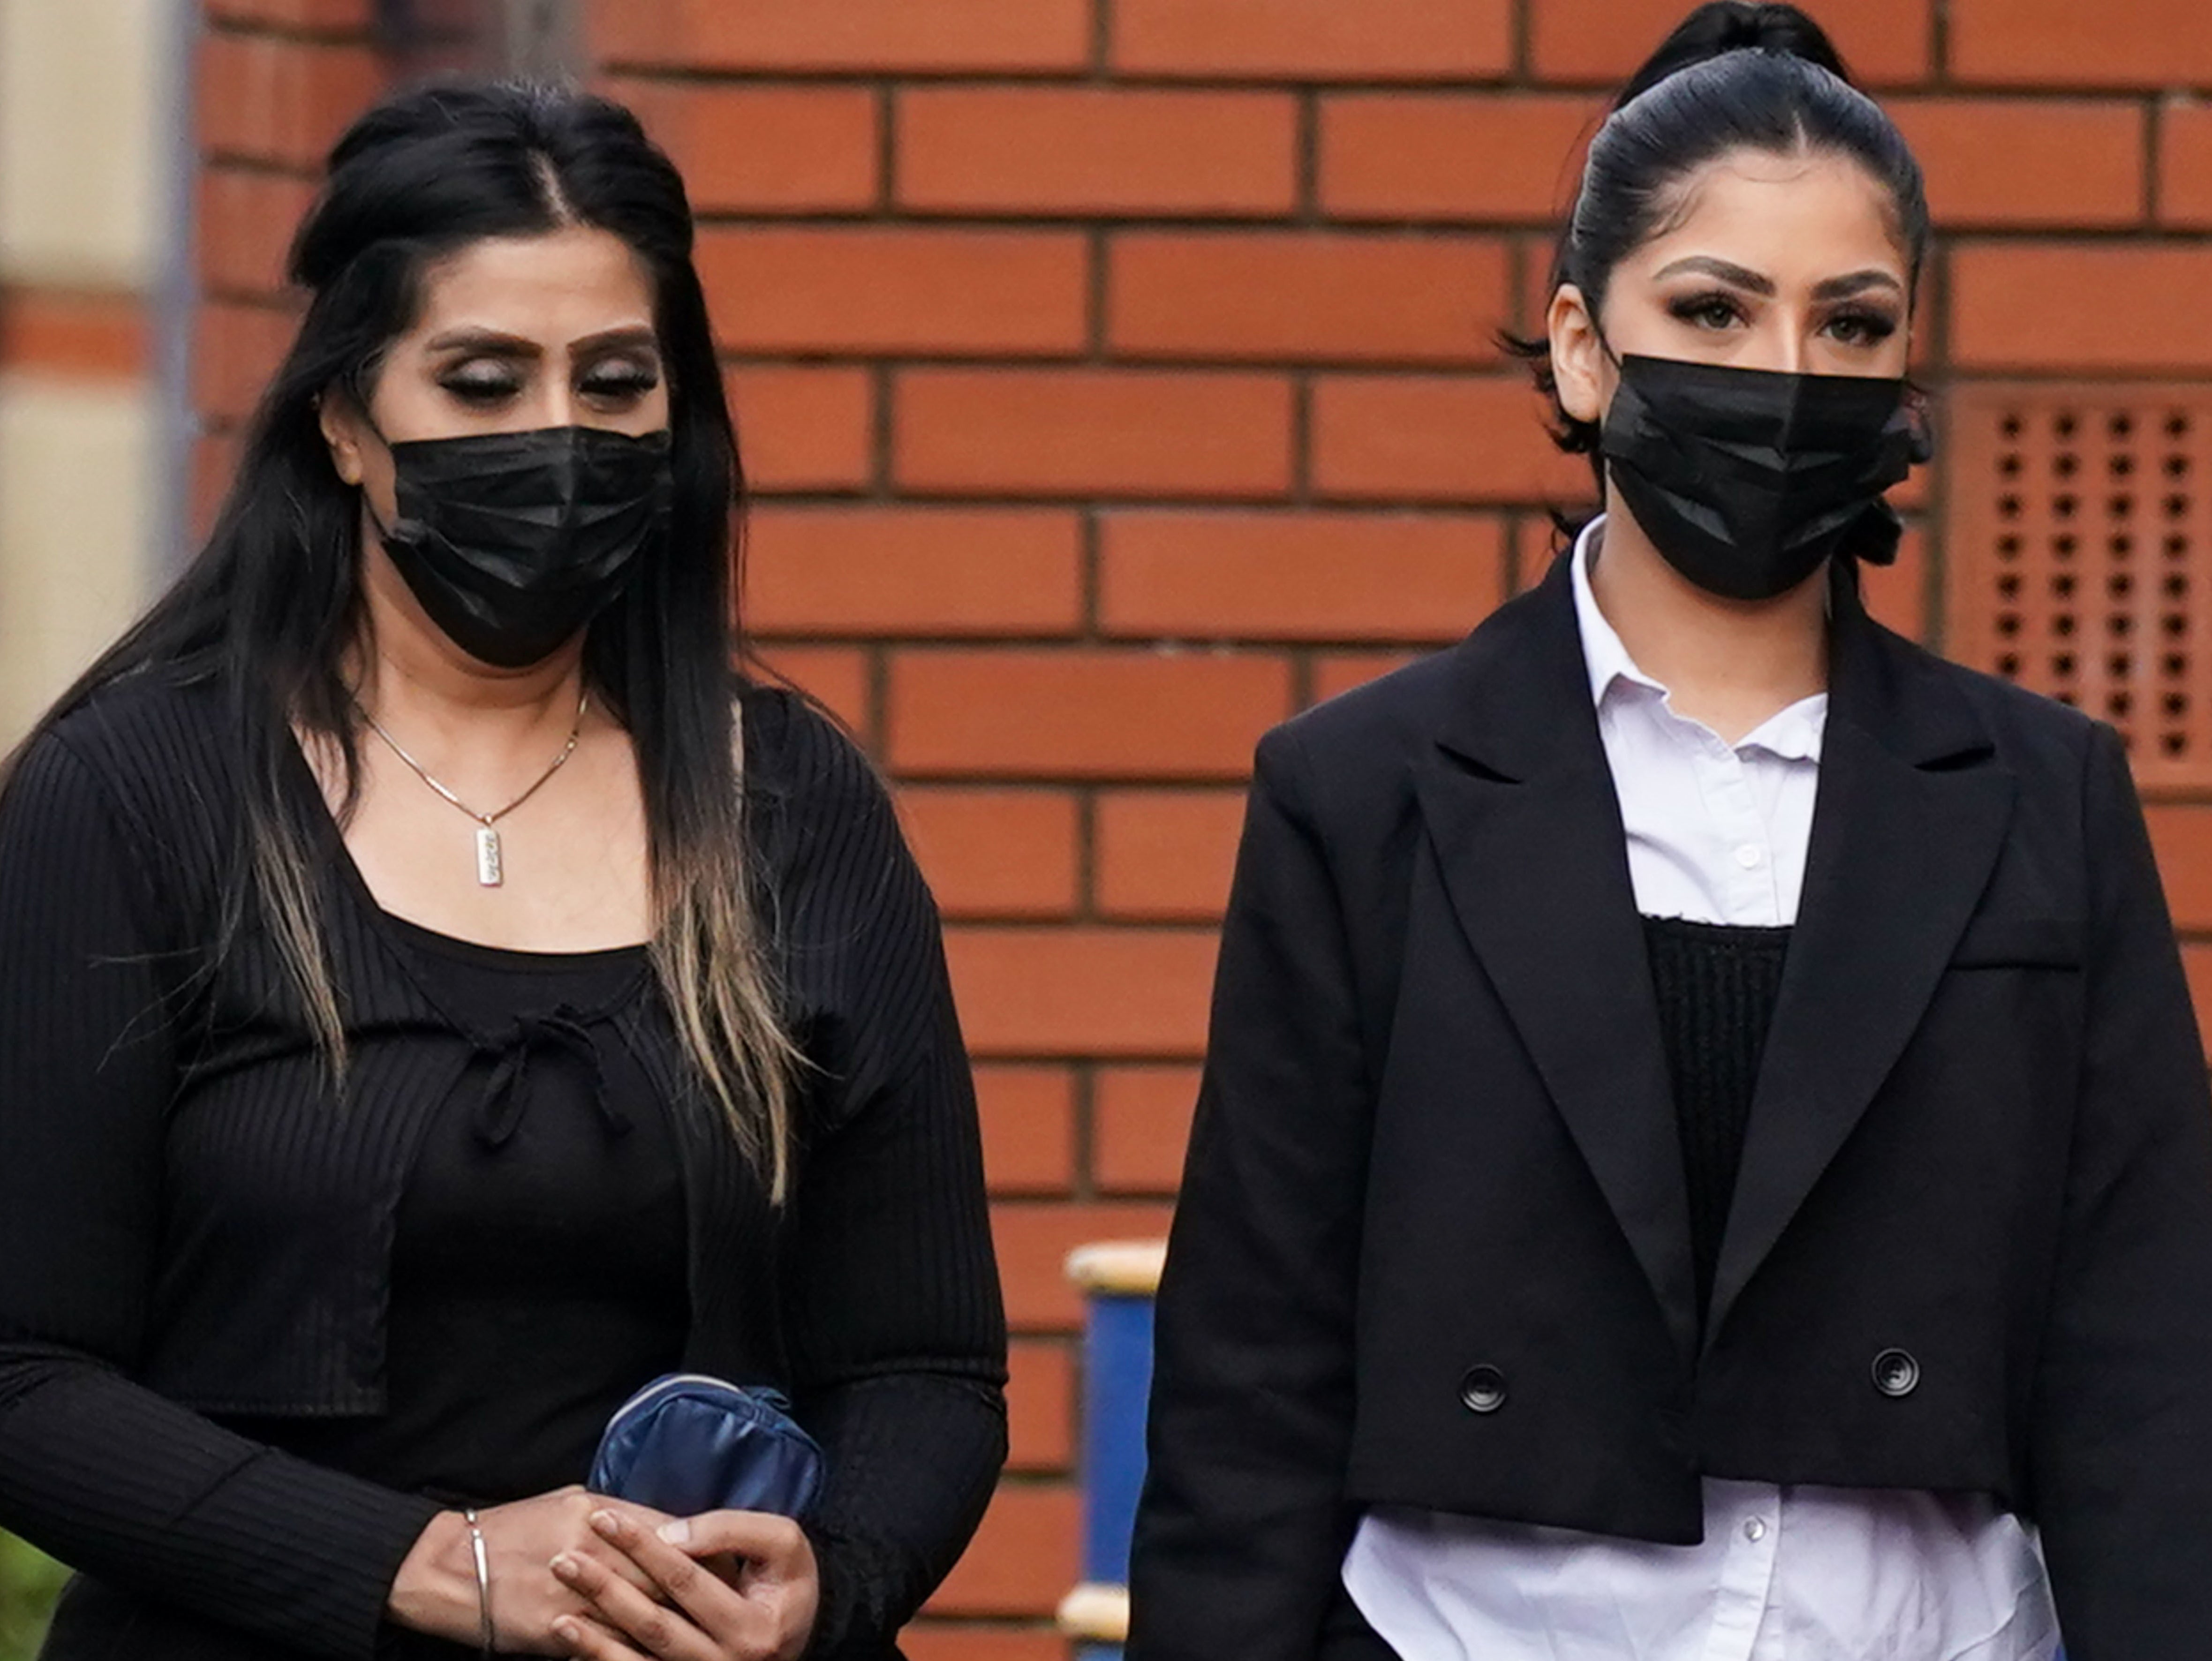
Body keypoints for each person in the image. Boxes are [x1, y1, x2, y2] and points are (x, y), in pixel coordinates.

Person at [1127, 6, 2212, 1660]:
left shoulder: (2042, 795)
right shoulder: (1362, 792)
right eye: (1713, 308)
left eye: (1851, 326)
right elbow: (1252, 1385)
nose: (1786, 376)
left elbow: (2147, 1365)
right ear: (1581, 347)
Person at [0, 82, 1006, 1661]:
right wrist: (430, 1563)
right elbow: (24, 1373)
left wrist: (837, 1578)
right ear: (343, 420)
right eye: (480, 381)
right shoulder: (136, 797)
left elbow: (926, 1370)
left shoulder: (795, 805)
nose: (559, 436)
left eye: (615, 383)